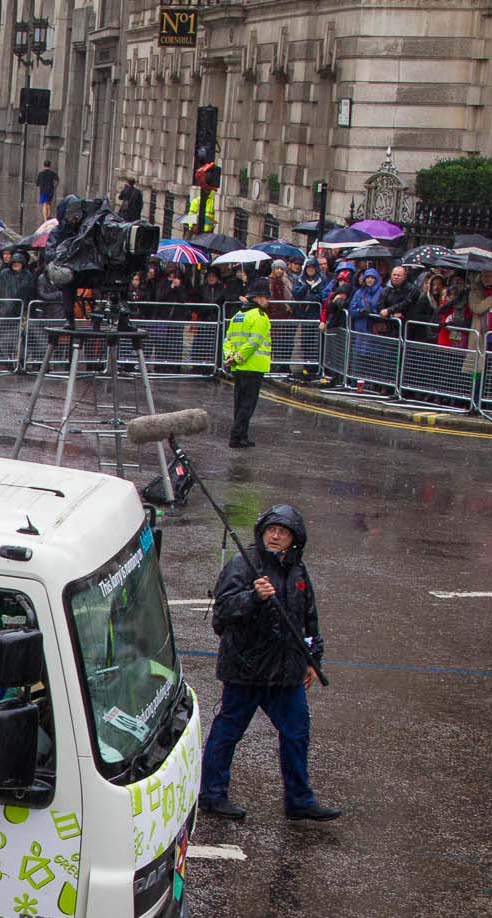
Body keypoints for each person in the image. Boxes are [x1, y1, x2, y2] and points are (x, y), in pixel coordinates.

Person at [199, 505, 340, 822]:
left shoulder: (299, 571)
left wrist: (312, 660)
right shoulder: (242, 565)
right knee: (227, 733)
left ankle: (299, 800)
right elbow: (221, 617)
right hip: (245, 671)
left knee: (297, 733)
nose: (276, 535)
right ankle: (212, 794)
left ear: (294, 540)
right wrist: (253, 597)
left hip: (286, 674)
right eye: (271, 530)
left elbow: (309, 619)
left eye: (284, 531)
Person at [221, 282, 272, 448]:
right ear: (257, 298)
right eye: (265, 297)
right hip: (253, 365)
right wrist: (236, 358)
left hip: (239, 367)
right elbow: (254, 343)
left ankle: (242, 435)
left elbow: (227, 339)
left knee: (240, 403)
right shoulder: (259, 316)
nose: (267, 301)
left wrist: (230, 357)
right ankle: (236, 436)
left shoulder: (238, 316)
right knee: (247, 405)